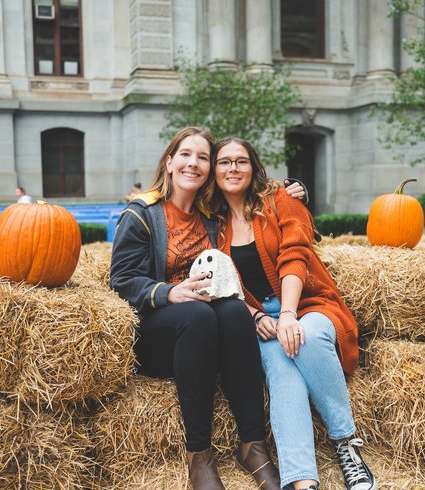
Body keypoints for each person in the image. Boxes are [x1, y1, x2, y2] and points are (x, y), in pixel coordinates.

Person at [110, 127, 305, 490]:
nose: (194, 163)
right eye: (185, 155)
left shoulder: (210, 215)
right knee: (197, 313)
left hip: (211, 339)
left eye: (203, 157)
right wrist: (169, 293)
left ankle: (253, 444)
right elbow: (121, 280)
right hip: (161, 337)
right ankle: (198, 455)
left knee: (232, 311)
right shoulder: (142, 214)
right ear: (169, 162)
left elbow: (248, 183)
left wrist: (293, 187)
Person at [205, 137, 376, 490]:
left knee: (307, 337)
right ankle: (302, 481)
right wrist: (255, 316)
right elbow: (221, 283)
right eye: (224, 162)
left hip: (307, 302)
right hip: (257, 318)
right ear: (214, 170)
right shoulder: (212, 223)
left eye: (241, 161)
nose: (232, 168)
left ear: (254, 167)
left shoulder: (279, 200)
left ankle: (346, 445)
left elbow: (295, 253)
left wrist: (287, 313)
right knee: (283, 376)